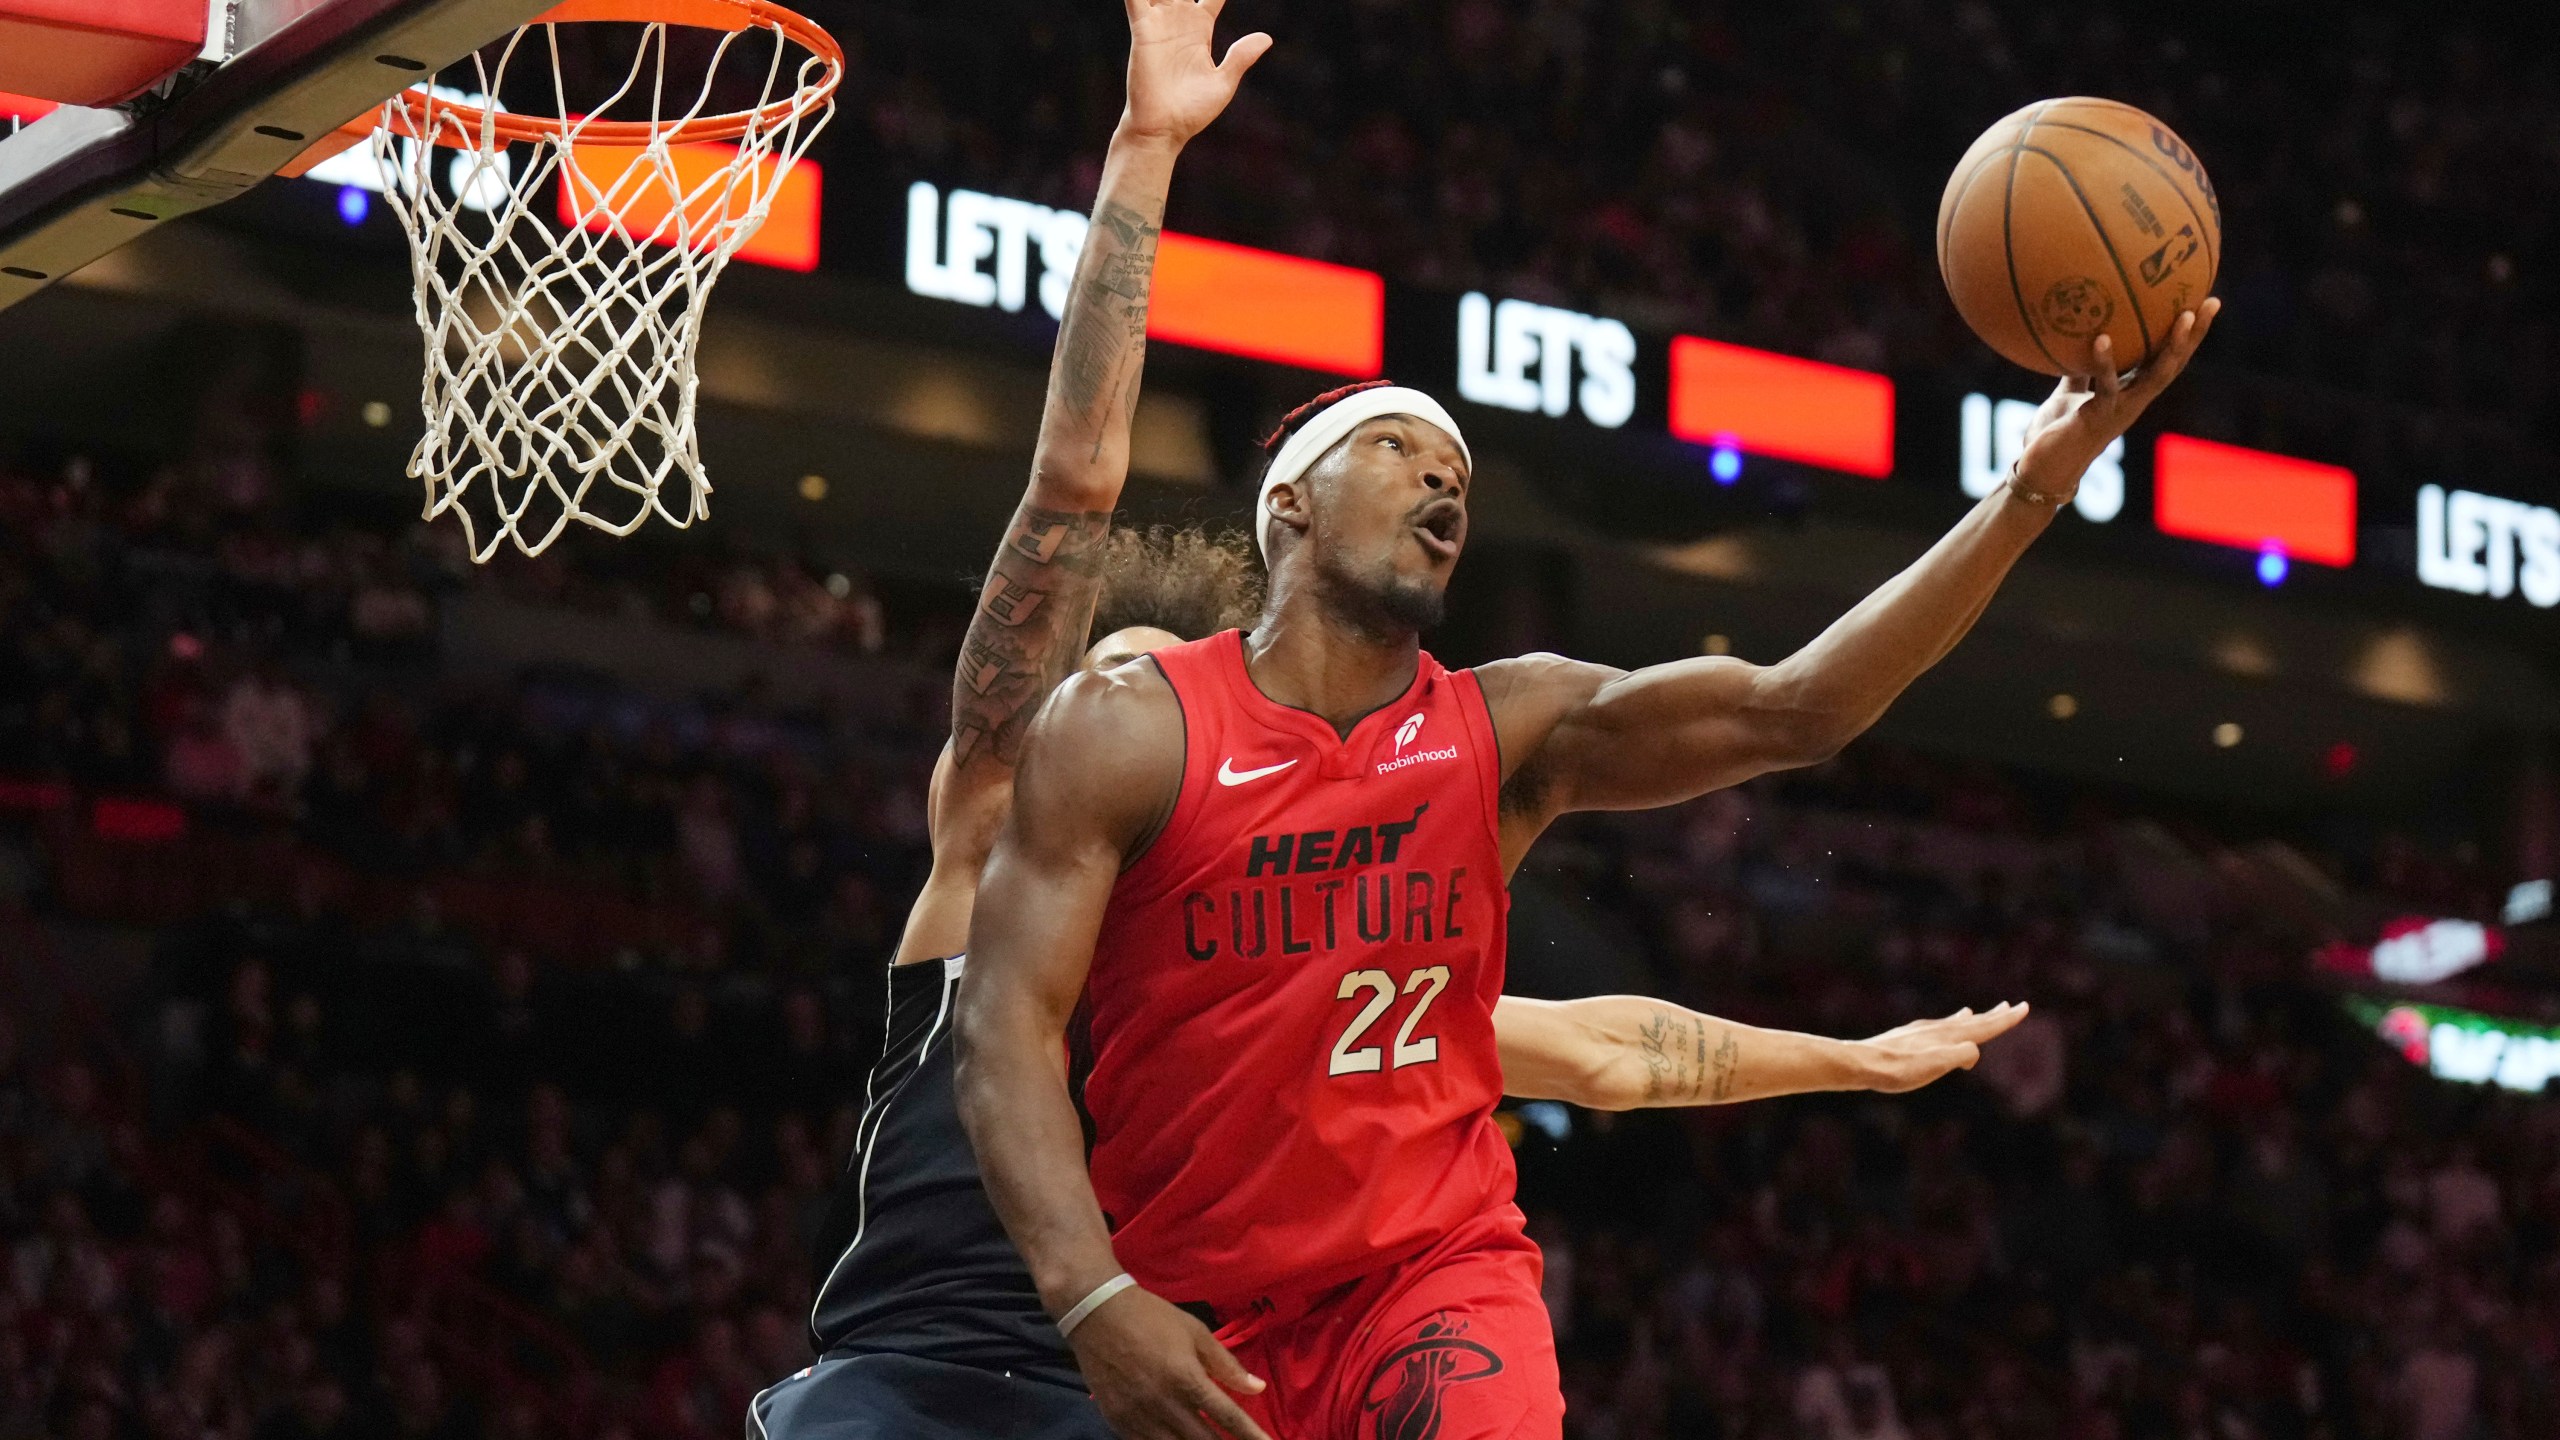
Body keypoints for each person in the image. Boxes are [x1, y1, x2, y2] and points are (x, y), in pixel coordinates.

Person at [752, 7, 2024, 1437]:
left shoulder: (1271, 966)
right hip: (925, 1377)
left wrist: (1849, 1060)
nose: (1133, 724)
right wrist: (1145, 152)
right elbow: (1072, 487)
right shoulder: (996, 835)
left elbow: (1599, 1049)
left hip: (1172, 1393)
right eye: (1110, 685)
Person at [954, 160, 2221, 1440]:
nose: (1443, 485)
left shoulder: (1510, 727)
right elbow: (1003, 1027)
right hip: (1196, 1317)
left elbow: (1799, 708)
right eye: (1399, 449)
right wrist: (1091, 1294)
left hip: (1430, 1281)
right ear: (1289, 500)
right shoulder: (1129, 729)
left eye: (1458, 474)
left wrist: (2029, 485)